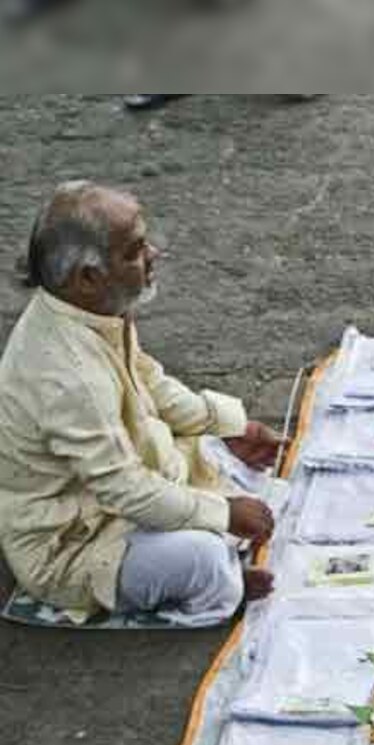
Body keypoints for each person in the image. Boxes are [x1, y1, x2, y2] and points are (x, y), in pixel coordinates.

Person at [0, 181, 281, 624]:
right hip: (75, 542)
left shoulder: (92, 311)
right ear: (88, 278)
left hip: (117, 492)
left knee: (216, 453)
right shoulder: (68, 376)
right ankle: (221, 584)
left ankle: (218, 542)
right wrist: (222, 513)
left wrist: (227, 424)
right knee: (202, 558)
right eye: (133, 251)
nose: (152, 254)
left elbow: (148, 379)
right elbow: (124, 488)